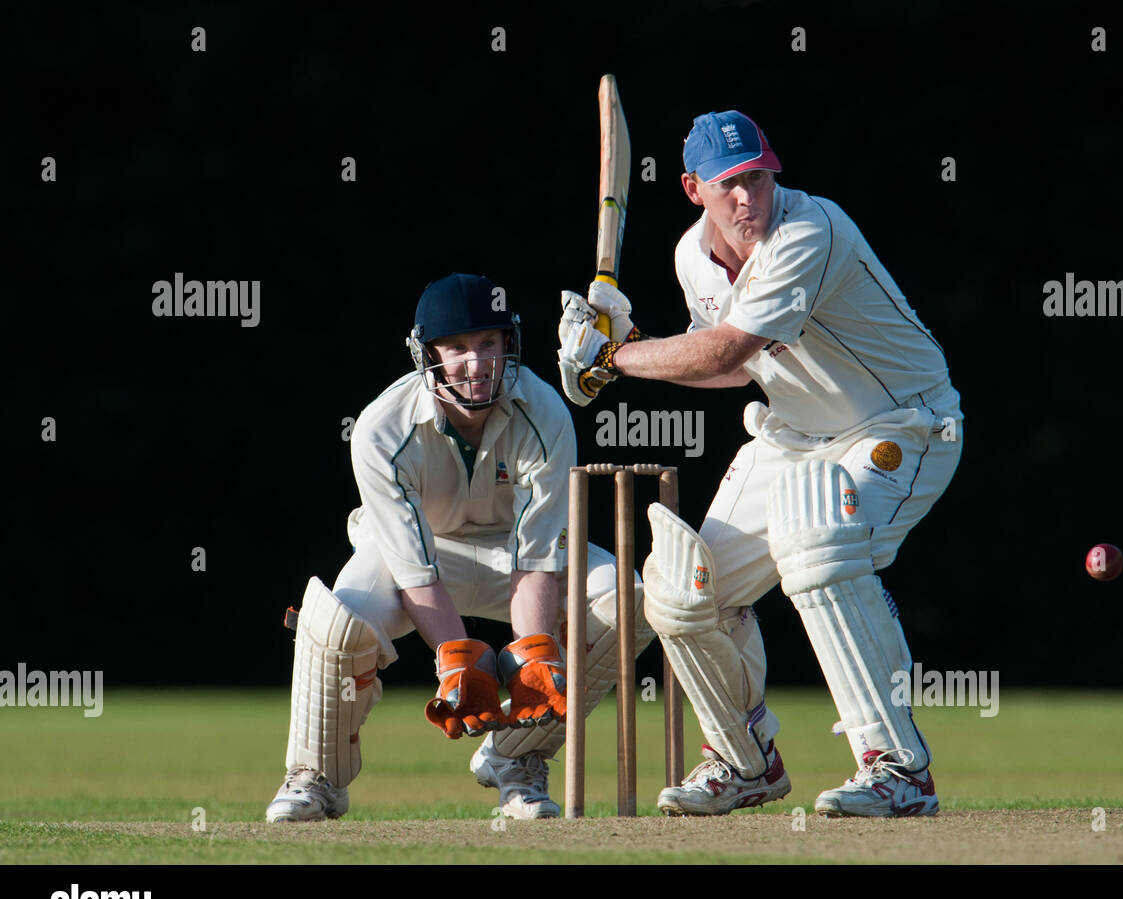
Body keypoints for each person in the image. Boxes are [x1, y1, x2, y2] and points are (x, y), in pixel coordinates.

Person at [557, 111, 963, 817]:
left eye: (759, 178)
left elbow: (725, 351)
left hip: (904, 426)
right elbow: (727, 374)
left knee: (818, 547)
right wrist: (631, 344)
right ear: (693, 189)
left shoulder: (811, 230)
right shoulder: (692, 257)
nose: (749, 198)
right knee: (681, 591)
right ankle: (744, 760)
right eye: (730, 185)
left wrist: (613, 359)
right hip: (793, 437)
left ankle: (897, 767)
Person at [267, 273, 655, 822]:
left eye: (487, 344)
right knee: (336, 621)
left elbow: (537, 557)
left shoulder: (545, 414)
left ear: (508, 345)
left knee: (625, 600)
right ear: (428, 354)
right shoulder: (380, 429)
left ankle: (516, 760)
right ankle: (315, 777)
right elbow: (412, 567)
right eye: (457, 349)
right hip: (421, 559)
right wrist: (455, 659)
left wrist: (534, 652)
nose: (476, 365)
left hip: (514, 561)